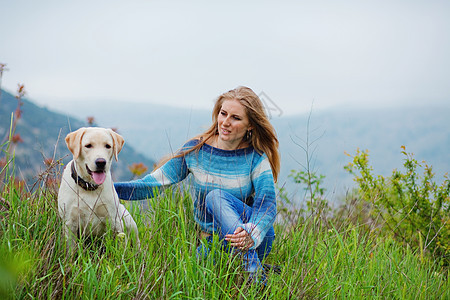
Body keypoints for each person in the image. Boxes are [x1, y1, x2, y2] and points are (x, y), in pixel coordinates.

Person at [114, 86, 280, 282]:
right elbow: (153, 184)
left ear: (250, 125)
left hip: (254, 238)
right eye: (223, 113)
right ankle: (253, 268)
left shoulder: (255, 158)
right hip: (213, 241)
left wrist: (252, 232)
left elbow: (267, 203)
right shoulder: (197, 149)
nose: (225, 122)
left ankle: (254, 274)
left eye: (235, 118)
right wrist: (108, 189)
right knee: (190, 277)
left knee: (215, 197)